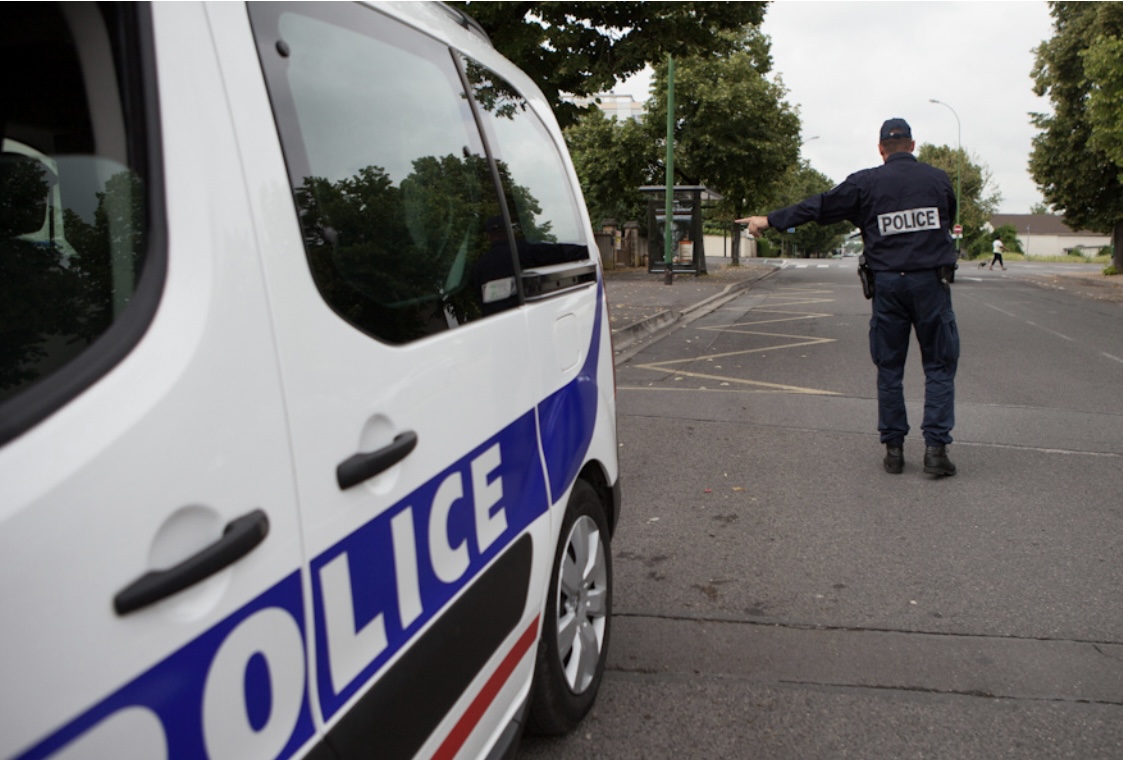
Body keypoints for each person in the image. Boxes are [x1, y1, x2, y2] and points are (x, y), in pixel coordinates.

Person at [737, 118, 959, 477]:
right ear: (913, 146)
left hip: (888, 287)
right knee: (939, 366)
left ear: (881, 149)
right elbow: (948, 220)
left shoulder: (866, 183)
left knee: (890, 368)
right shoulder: (938, 179)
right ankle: (936, 451)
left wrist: (770, 220)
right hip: (931, 285)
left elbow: (819, 206)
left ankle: (894, 451)